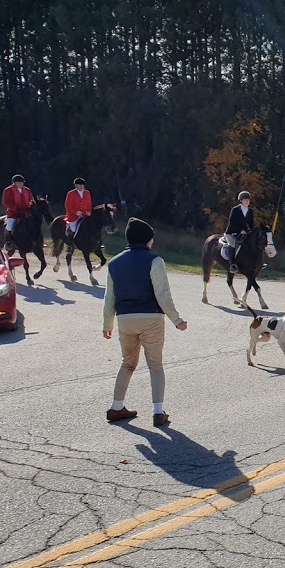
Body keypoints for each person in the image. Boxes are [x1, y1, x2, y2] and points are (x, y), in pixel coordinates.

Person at [102, 218, 187, 427]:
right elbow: (162, 294)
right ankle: (158, 411)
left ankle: (116, 406)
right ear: (147, 239)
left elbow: (109, 298)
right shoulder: (155, 260)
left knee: (128, 363)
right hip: (151, 318)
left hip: (125, 319)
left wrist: (107, 324)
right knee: (155, 365)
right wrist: (177, 319)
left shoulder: (114, 263)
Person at [1, 174, 33, 255]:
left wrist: (31, 207)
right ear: (14, 183)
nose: (21, 184)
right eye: (19, 182)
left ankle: (36, 241)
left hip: (26, 212)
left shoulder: (27, 190)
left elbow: (31, 200)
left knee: (34, 223)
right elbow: (6, 202)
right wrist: (16, 208)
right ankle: (8, 242)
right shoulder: (8, 190)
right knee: (10, 225)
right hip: (13, 213)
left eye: (22, 182)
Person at [224, 190, 255, 273]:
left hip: (245, 232)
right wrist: (240, 230)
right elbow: (231, 223)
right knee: (232, 244)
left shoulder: (250, 211)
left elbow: (251, 223)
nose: (247, 201)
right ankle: (232, 265)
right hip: (232, 232)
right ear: (240, 200)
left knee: (252, 243)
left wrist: (250, 231)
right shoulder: (235, 210)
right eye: (245, 200)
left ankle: (256, 262)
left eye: (248, 200)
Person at [64, 177, 92, 248]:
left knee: (92, 226)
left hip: (85, 215)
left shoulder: (87, 193)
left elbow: (89, 204)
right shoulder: (71, 193)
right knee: (73, 228)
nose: (81, 187)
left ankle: (95, 243)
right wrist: (75, 212)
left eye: (82, 185)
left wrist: (89, 211)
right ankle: (70, 245)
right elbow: (68, 205)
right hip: (74, 216)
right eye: (79, 185)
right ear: (76, 186)